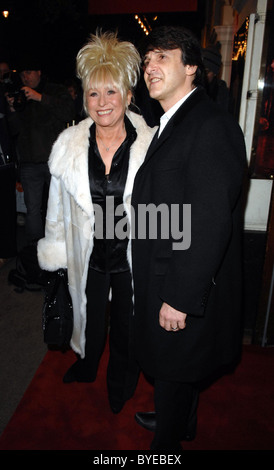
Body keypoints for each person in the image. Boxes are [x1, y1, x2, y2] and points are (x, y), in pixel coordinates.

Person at [131, 26, 246, 450]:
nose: (150, 67)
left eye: (162, 56)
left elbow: (211, 220)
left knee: (176, 367)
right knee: (175, 370)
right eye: (147, 60)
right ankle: (180, 419)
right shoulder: (175, 121)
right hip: (164, 270)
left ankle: (167, 444)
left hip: (181, 282)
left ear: (192, 67)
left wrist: (181, 295)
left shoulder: (210, 126)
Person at [37, 32, 157, 414]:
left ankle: (120, 383)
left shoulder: (150, 144)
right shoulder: (68, 145)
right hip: (87, 255)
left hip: (129, 256)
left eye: (111, 92)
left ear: (127, 94)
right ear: (83, 96)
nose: (102, 103)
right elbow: (55, 208)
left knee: (125, 327)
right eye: (93, 93)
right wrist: (55, 253)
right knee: (87, 320)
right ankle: (87, 365)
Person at [6, 60, 75, 244]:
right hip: (29, 162)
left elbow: (69, 112)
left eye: (28, 72)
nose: (25, 77)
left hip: (54, 162)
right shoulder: (21, 96)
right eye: (22, 74)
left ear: (38, 72)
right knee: (33, 210)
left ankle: (62, 248)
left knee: (59, 208)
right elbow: (14, 130)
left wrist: (39, 97)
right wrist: (12, 109)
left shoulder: (55, 90)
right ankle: (35, 253)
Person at [202, 43, 229, 110]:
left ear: (215, 73)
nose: (203, 75)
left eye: (207, 72)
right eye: (201, 70)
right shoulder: (193, 86)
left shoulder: (221, 91)